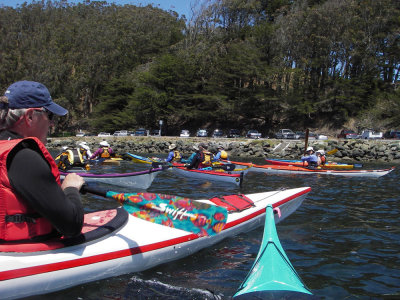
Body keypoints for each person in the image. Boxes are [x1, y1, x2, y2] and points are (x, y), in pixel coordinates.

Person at [0, 80, 85, 241]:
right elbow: (71, 226)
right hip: (19, 255)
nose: (52, 123)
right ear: (30, 116)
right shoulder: (24, 157)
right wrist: (71, 188)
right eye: (49, 115)